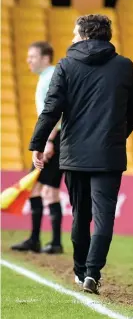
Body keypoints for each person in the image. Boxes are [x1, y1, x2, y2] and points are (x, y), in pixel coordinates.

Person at [29, 14, 133, 294]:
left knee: (81, 215)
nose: (71, 38)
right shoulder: (124, 66)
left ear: (84, 35)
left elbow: (51, 108)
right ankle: (93, 272)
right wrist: (116, 135)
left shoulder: (66, 66)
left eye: (73, 33)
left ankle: (80, 271)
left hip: (75, 155)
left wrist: (38, 143)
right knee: (104, 217)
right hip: (109, 155)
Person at [11, 41, 64, 255]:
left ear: (45, 58)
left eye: (32, 56)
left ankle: (40, 240)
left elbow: (55, 111)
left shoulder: (51, 77)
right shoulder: (46, 77)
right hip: (56, 138)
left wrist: (49, 140)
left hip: (55, 138)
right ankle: (50, 241)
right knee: (47, 190)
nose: (28, 60)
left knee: (40, 189)